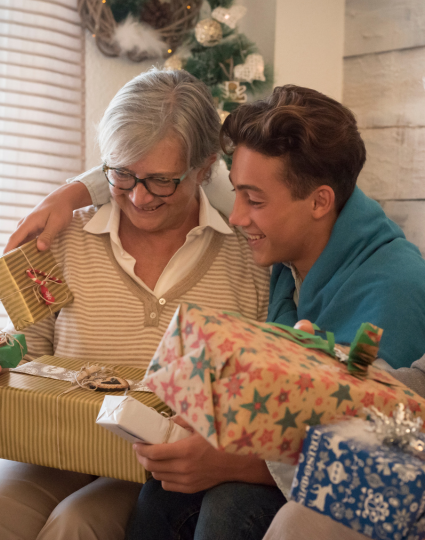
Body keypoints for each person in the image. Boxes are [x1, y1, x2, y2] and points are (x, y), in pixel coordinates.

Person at [6, 83, 425, 538]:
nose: (239, 215)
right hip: (68, 451)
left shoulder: (376, 285)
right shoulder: (285, 245)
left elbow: (384, 452)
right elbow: (154, 154)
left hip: (315, 481)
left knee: (149, 512)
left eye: (254, 200)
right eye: (121, 175)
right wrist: (72, 192)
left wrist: (238, 463)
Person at [0, 68, 281, 540]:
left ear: (204, 166)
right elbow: (29, 359)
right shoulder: (63, 237)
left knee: (76, 524)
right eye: (122, 174)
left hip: (154, 468)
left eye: (161, 181)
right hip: (54, 447)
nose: (137, 196)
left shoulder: (246, 260)